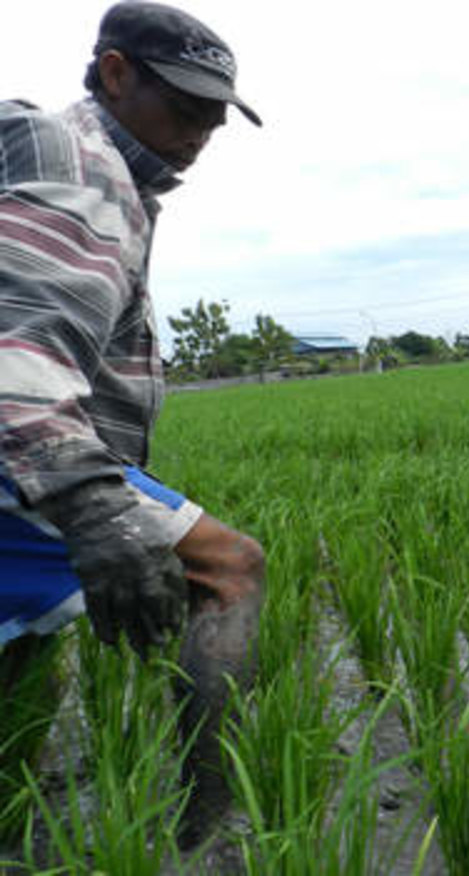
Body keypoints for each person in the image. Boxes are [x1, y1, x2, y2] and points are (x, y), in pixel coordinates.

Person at [0, 0, 264, 849]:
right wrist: (95, 507)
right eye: (185, 105)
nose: (204, 131)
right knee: (229, 568)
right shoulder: (83, 169)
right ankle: (204, 828)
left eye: (216, 114)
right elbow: (20, 350)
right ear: (114, 73)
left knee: (28, 623)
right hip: (23, 441)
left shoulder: (59, 156)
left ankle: (11, 808)